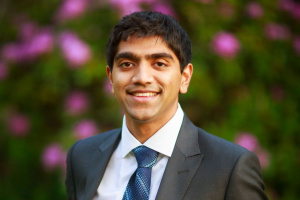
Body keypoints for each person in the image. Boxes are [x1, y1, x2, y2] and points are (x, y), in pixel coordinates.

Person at [65, 11, 268, 200]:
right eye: (127, 64)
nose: (142, 78)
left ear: (185, 78)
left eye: (159, 63)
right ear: (111, 78)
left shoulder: (230, 167)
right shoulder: (82, 157)